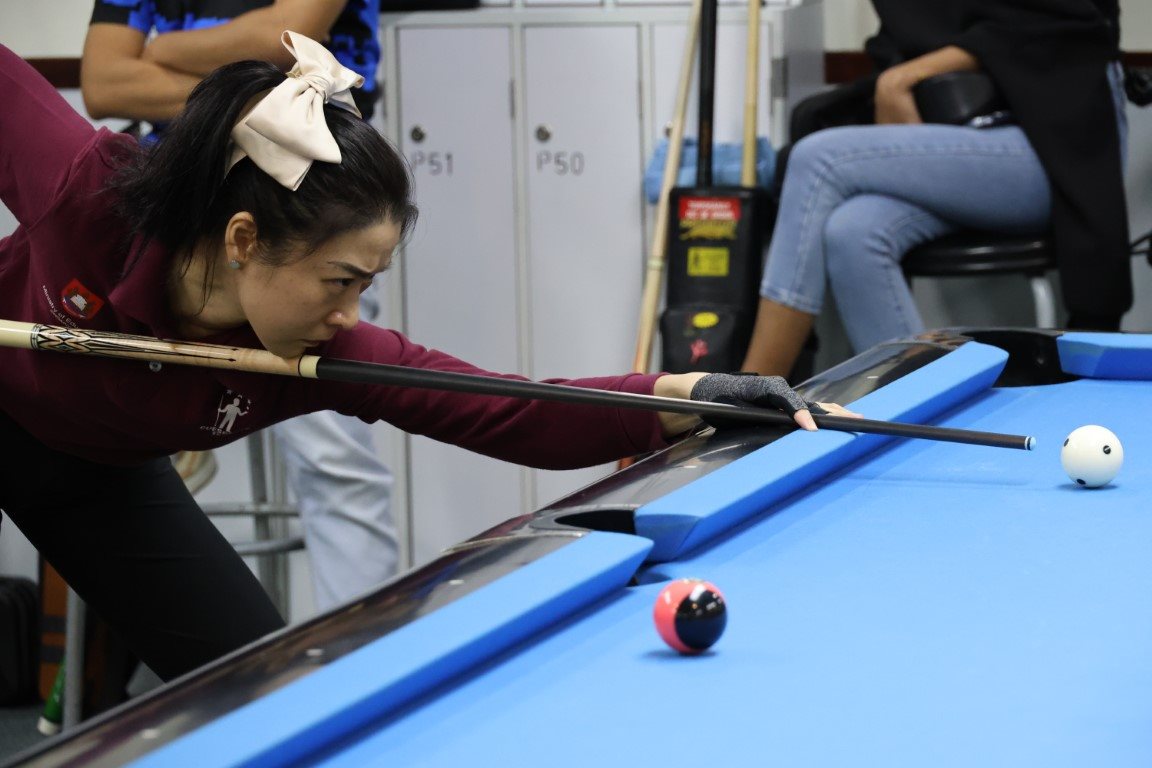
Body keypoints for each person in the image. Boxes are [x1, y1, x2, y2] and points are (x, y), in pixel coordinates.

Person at [0, 34, 852, 683]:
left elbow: (510, 408)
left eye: (366, 284)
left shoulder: (322, 351)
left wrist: (696, 394)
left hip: (100, 477)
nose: (350, 314)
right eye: (338, 280)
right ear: (244, 239)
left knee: (259, 690)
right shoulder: (91, 194)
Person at [81, 0, 398, 610]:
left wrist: (160, 52)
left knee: (333, 458)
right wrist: (252, 91)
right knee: (113, 447)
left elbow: (283, 38)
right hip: (174, 208)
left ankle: (361, 654)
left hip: (308, 209)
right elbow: (103, 83)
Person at [741, 0, 1131, 378]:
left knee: (816, 160)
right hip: (956, 138)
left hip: (1052, 145)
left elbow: (1052, 28)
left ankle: (746, 397)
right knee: (852, 231)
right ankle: (916, 404)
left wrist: (905, 76)